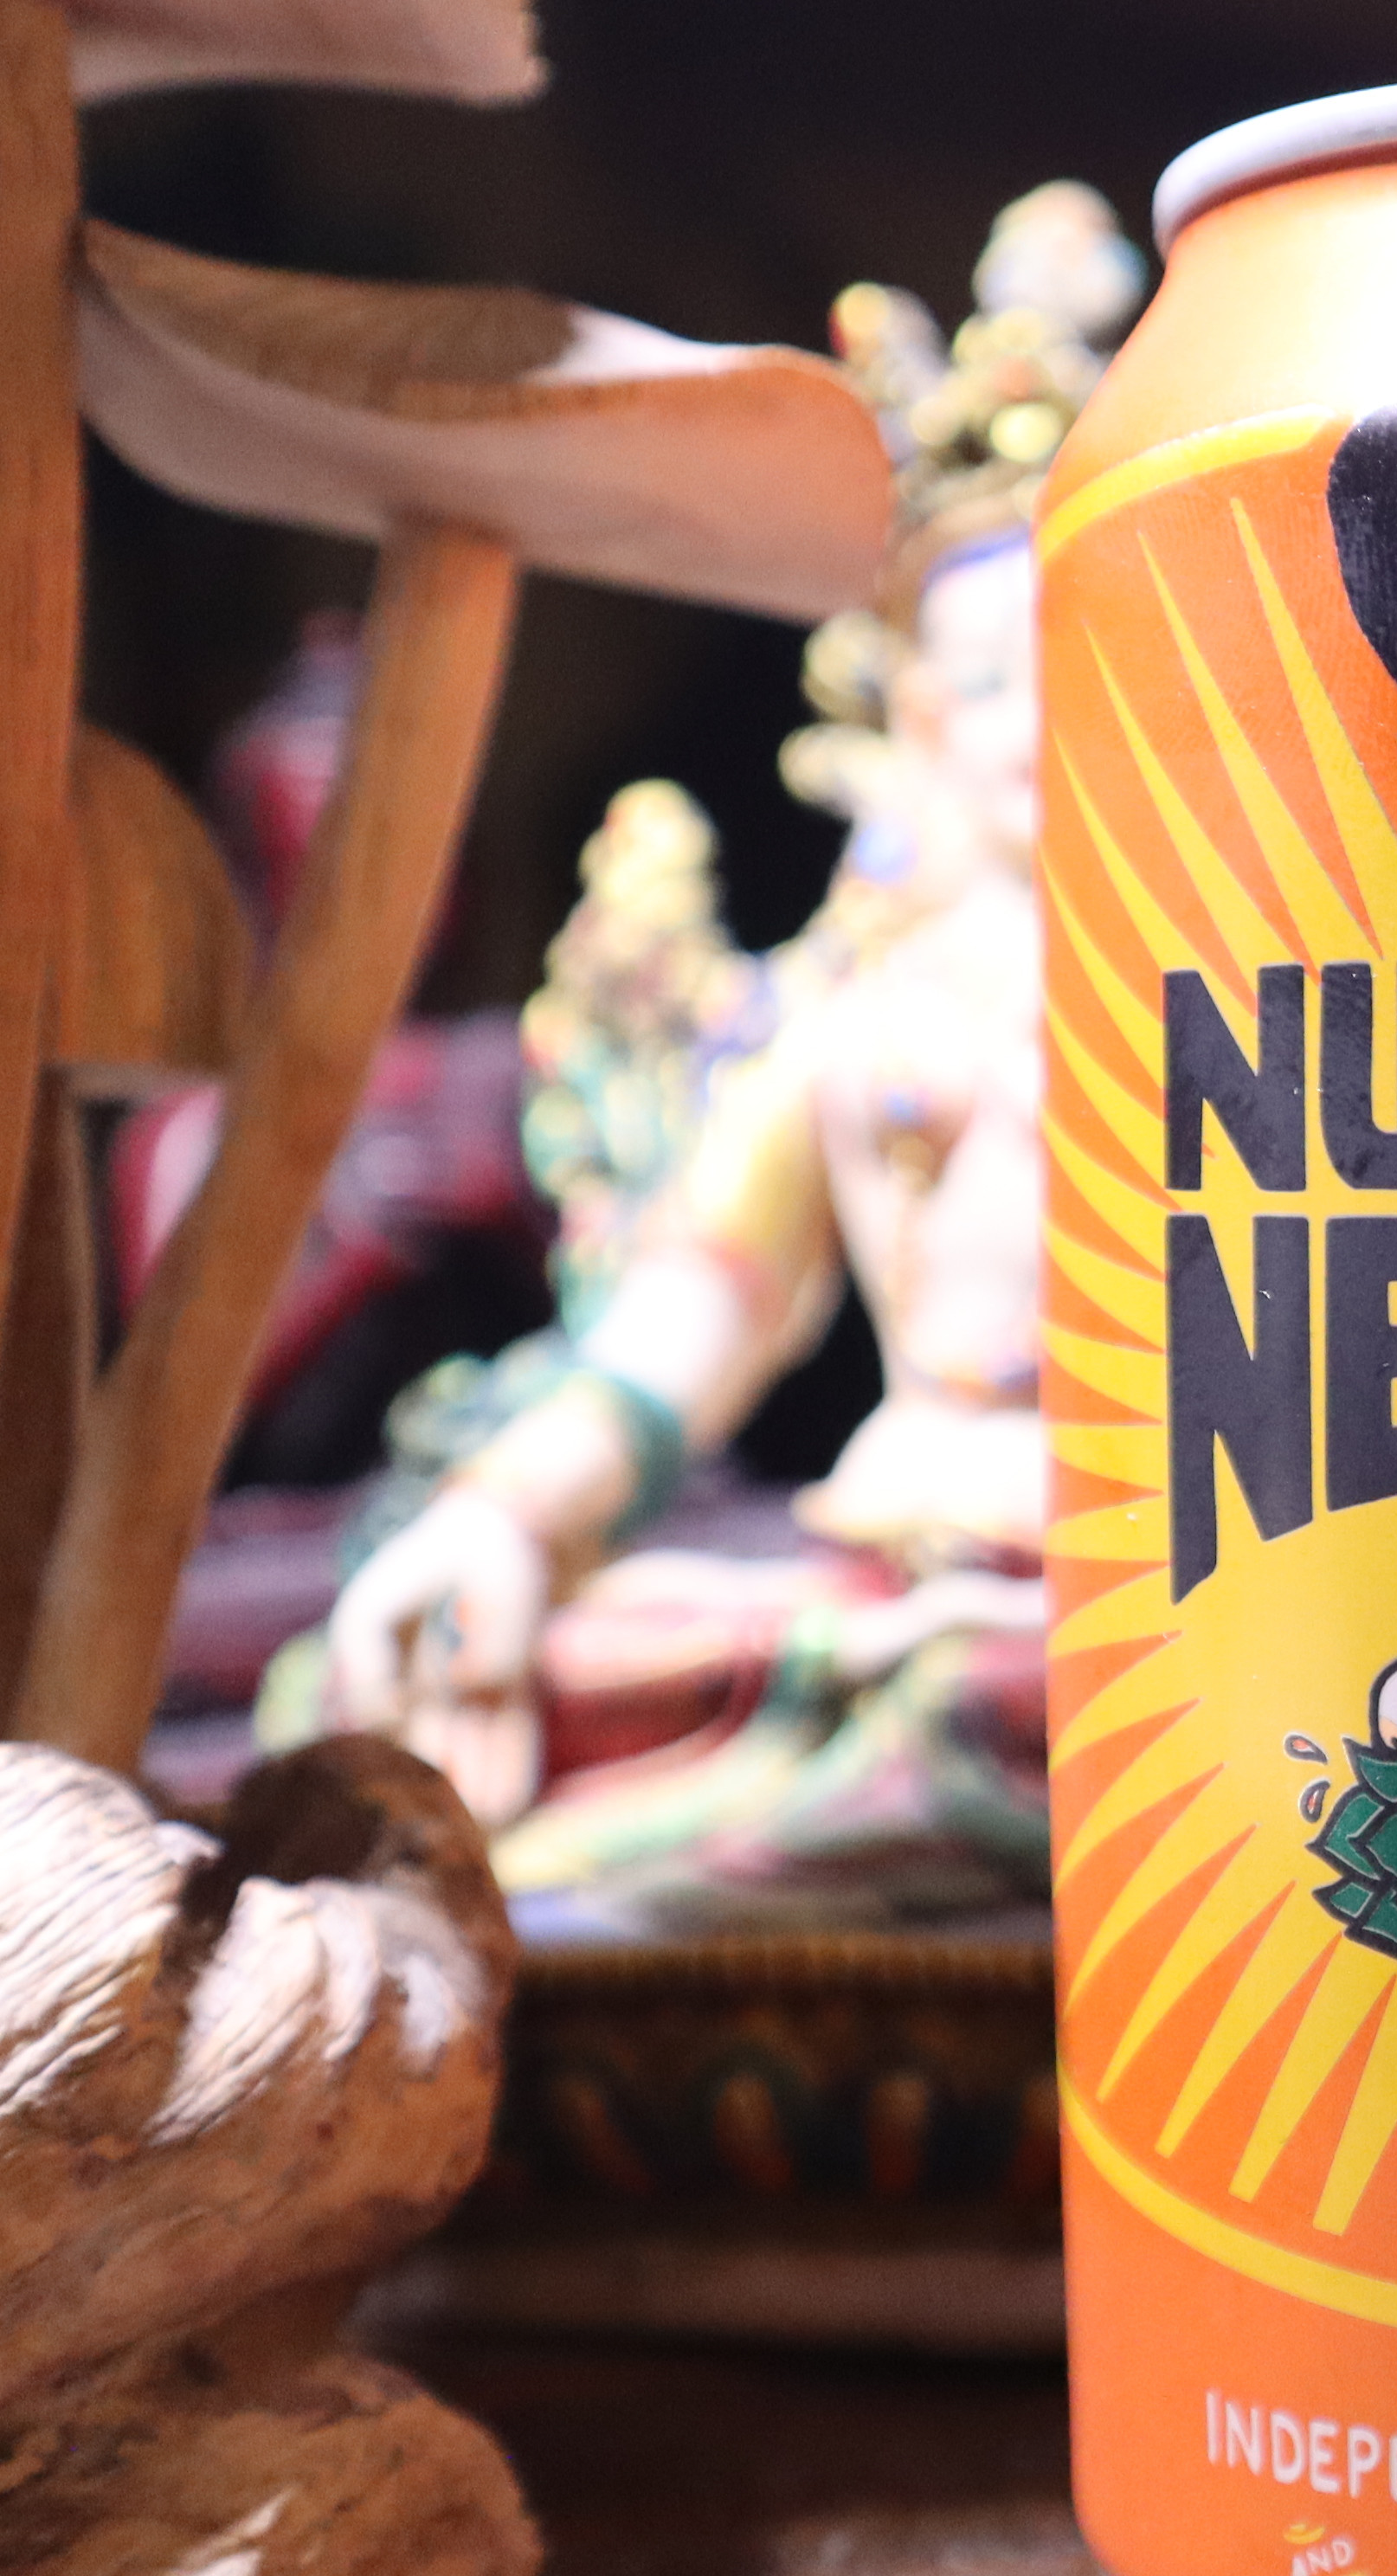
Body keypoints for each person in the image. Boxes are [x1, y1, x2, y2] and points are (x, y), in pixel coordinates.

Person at [304, 185, 1141, 1928]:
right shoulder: (860, 1011)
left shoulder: (1262, 1004)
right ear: (914, 706)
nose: (1047, 717)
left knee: (1036, 1704)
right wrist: (507, 1519)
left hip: (1142, 1590)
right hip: (887, 1567)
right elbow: (695, 1314)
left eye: (1095, 654)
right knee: (485, 1672)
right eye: (996, 676)